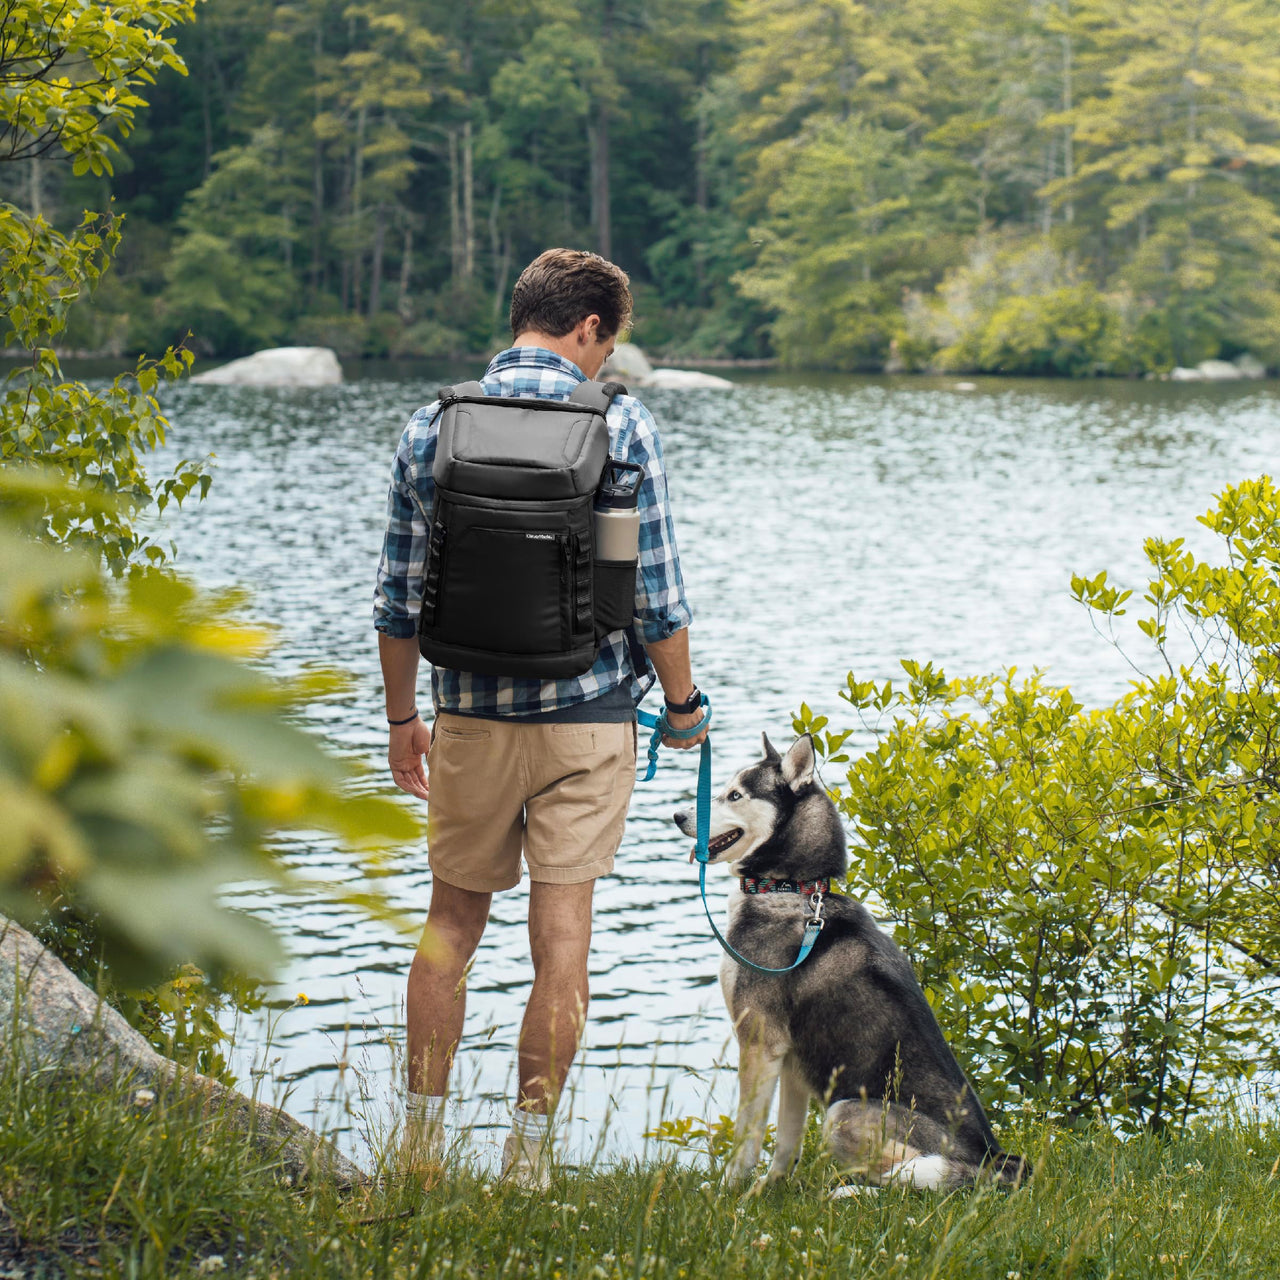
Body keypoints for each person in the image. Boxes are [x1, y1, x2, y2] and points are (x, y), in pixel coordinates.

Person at [373, 248, 707, 1189]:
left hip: (468, 716)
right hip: (588, 719)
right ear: (589, 328)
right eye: (610, 343)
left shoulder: (432, 425)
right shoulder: (621, 424)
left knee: (448, 927)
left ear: (522, 315)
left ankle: (419, 1149)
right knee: (563, 942)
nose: (607, 362)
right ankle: (527, 1160)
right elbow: (655, 595)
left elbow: (397, 603)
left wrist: (404, 722)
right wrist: (683, 709)